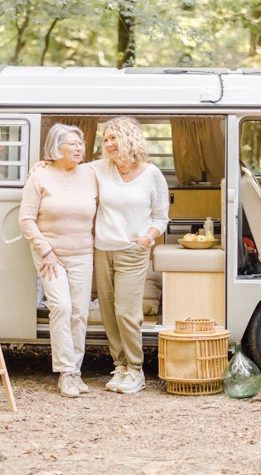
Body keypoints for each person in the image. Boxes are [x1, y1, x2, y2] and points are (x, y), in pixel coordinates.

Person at [18, 124, 98, 398]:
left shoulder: (91, 173)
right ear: (56, 147)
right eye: (73, 144)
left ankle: (75, 371)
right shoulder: (40, 176)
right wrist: (45, 250)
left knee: (80, 312)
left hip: (82, 253)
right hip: (49, 254)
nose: (79, 148)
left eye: (81, 144)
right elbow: (26, 219)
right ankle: (66, 373)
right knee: (61, 306)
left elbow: (123, 162)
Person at [92, 117, 169, 395]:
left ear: (130, 139)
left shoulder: (152, 174)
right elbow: (67, 173)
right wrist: (43, 166)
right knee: (109, 313)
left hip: (133, 251)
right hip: (103, 249)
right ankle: (120, 365)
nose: (109, 144)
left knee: (126, 311)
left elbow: (161, 216)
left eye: (114, 137)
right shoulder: (99, 169)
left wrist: (148, 237)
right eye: (106, 139)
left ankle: (136, 369)